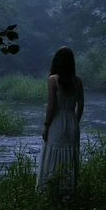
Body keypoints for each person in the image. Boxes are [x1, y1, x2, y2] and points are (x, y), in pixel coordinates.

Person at [36, 46, 84, 196]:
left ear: (57, 61)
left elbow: (51, 106)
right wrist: (75, 121)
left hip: (57, 122)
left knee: (53, 154)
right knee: (70, 156)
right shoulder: (78, 81)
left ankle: (50, 191)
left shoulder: (53, 80)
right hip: (72, 122)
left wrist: (46, 126)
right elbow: (81, 104)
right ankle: (68, 193)